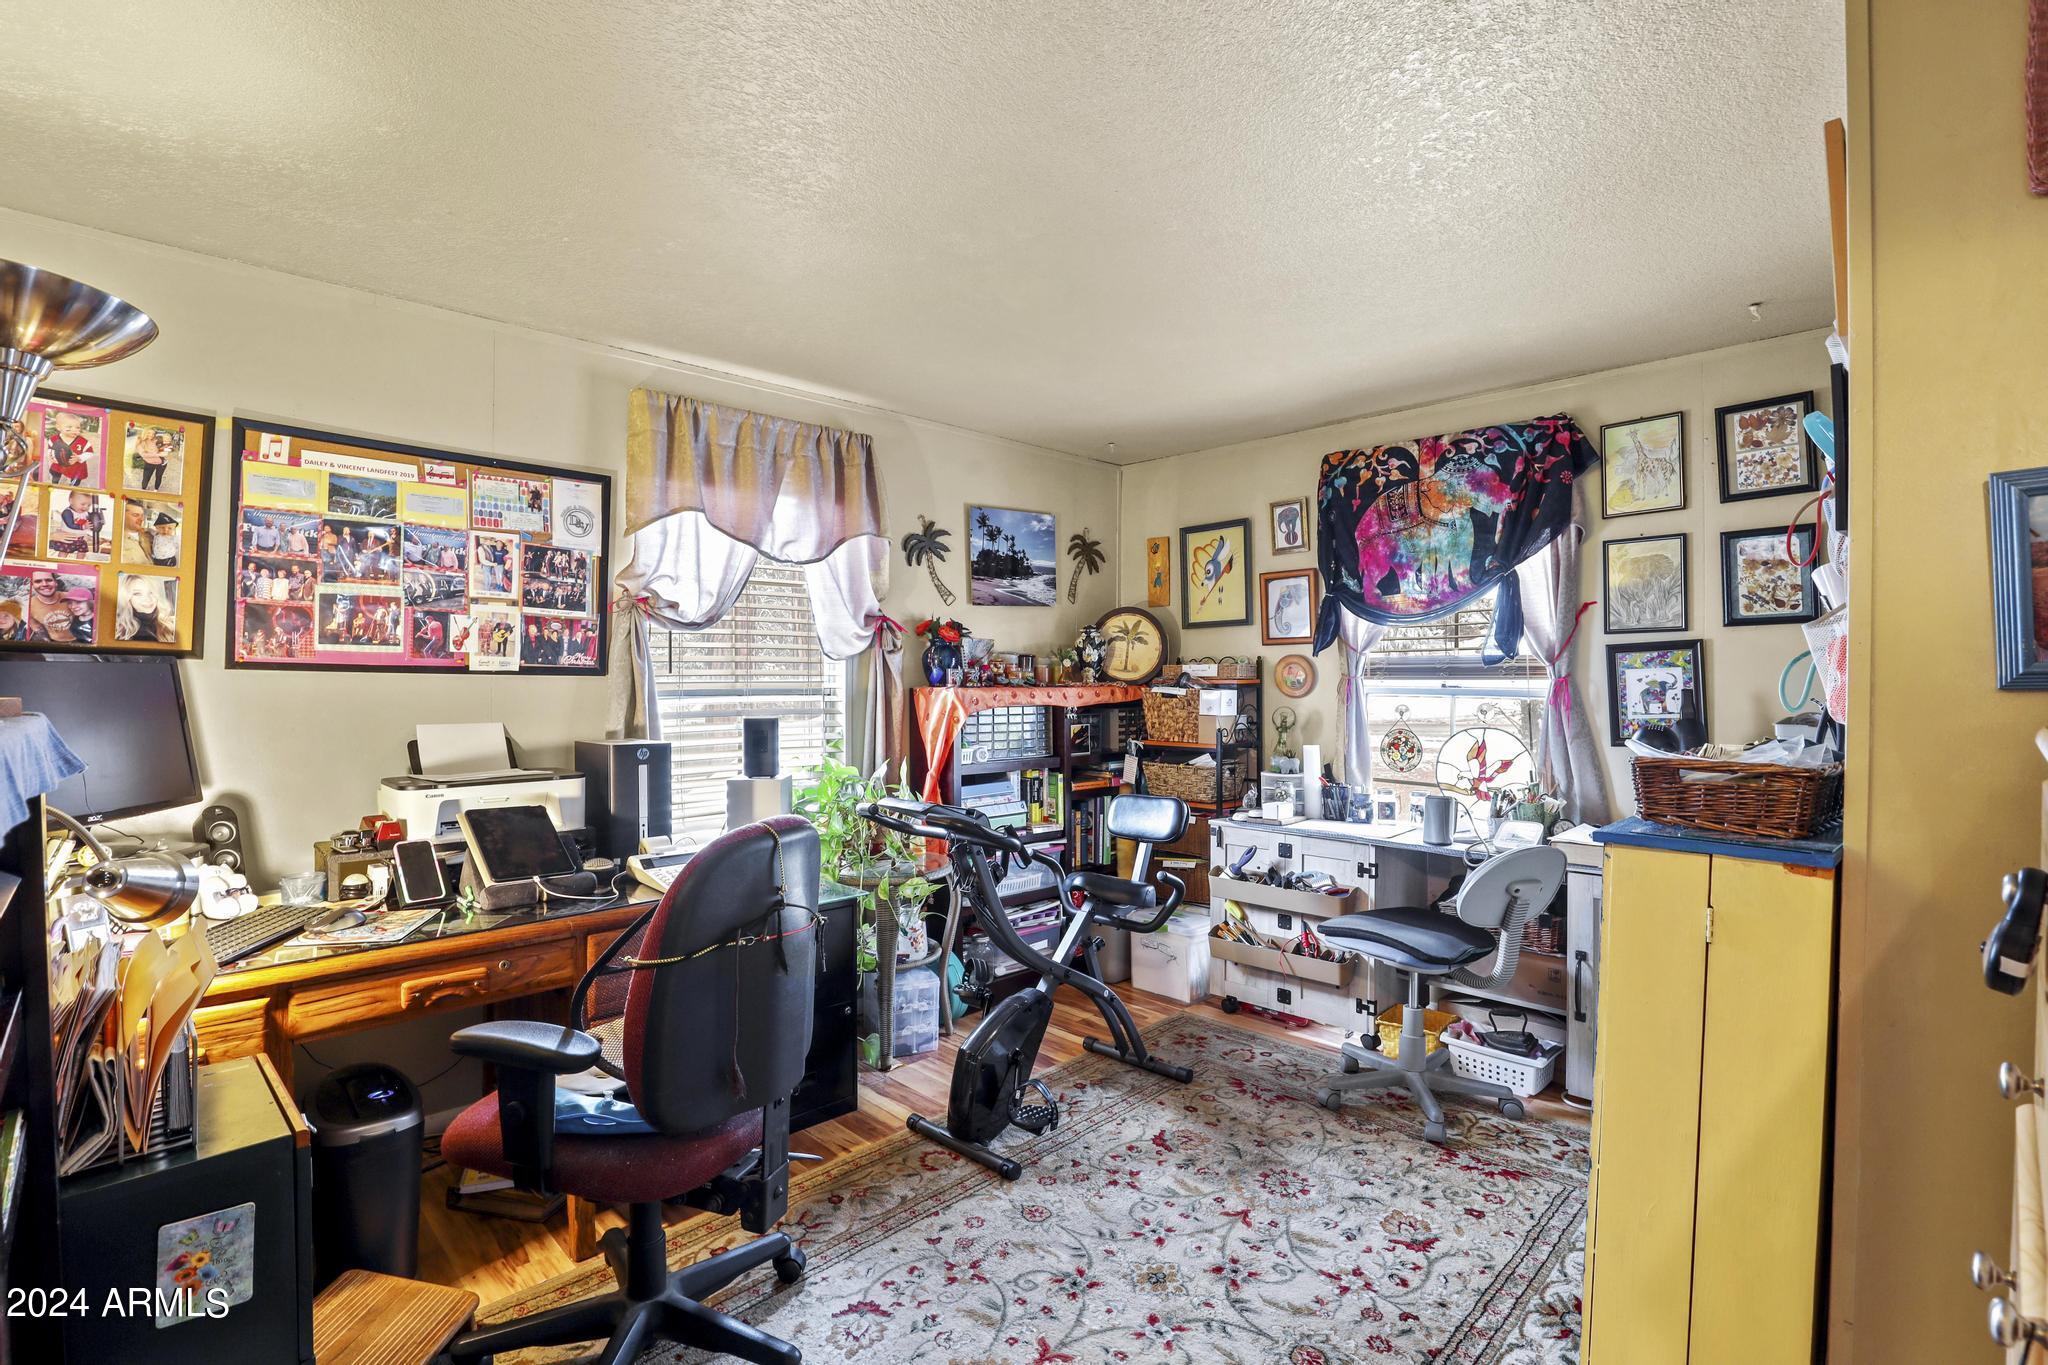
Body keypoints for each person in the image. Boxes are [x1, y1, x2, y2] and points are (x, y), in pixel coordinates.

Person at [115, 574, 176, 644]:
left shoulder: (170, 625)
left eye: (151, 592)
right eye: (137, 594)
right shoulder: (118, 628)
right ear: (127, 598)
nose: (148, 599)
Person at [131, 427, 174, 491]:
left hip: (161, 464)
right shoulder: (140, 442)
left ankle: (156, 490)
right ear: (145, 432)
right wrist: (158, 454)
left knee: (159, 477)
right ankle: (144, 489)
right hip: (149, 463)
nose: (151, 435)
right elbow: (144, 455)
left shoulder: (156, 440)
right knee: (146, 478)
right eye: (149, 433)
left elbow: (166, 442)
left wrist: (168, 448)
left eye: (153, 434)